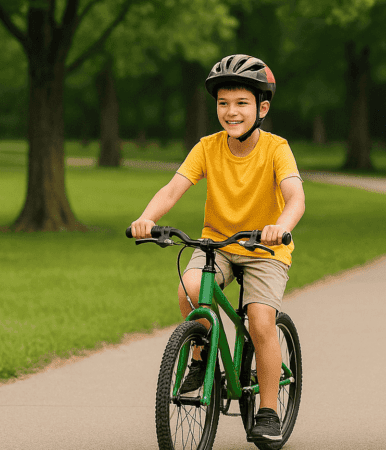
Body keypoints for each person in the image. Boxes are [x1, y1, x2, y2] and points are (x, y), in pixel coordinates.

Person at [130, 54, 305, 444]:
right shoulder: (207, 147)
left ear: (262, 108)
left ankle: (270, 410)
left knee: (261, 322)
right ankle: (199, 356)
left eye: (241, 103)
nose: (231, 112)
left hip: (264, 247)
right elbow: (173, 188)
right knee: (190, 290)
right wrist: (147, 218)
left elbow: (295, 196)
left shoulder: (277, 148)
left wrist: (281, 227)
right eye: (223, 103)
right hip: (217, 243)